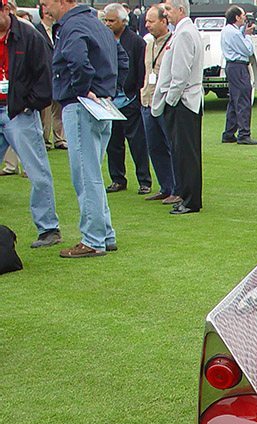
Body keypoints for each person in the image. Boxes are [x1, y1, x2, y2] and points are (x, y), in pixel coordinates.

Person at [51, 0, 120, 256]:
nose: (45, 10)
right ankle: (105, 233)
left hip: (81, 105)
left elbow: (79, 62)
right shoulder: (99, 25)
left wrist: (82, 90)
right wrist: (107, 91)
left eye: (47, 4)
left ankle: (93, 240)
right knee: (94, 173)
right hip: (102, 104)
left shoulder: (71, 26)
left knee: (85, 174)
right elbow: (120, 58)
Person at [0, 0, 62, 248]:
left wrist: (31, 103)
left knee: (37, 171)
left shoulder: (28, 35)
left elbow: (45, 73)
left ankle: (48, 228)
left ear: (6, 10)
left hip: (20, 112)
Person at [152, 0, 203, 214]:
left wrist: (170, 100)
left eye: (169, 9)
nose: (166, 13)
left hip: (183, 101)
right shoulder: (184, 31)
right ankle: (186, 195)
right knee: (184, 152)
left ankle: (190, 200)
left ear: (181, 10)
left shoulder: (183, 34)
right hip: (186, 100)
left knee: (185, 153)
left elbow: (180, 73)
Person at [103, 3, 152, 194]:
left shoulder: (136, 42)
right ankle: (117, 179)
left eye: (111, 20)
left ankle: (144, 180)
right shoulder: (103, 39)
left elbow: (142, 70)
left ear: (123, 22)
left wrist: (139, 95)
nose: (107, 24)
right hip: (109, 101)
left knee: (138, 143)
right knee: (113, 144)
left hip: (130, 99)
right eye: (105, 20)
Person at [141, 2, 177, 203]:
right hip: (147, 101)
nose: (147, 25)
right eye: (146, 21)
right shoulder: (148, 45)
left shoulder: (173, 43)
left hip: (164, 103)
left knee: (171, 146)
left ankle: (177, 188)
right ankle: (165, 186)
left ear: (164, 21)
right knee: (154, 147)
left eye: (151, 21)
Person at [220, 5, 257, 144]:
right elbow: (247, 50)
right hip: (239, 67)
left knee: (234, 100)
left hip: (231, 67)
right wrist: (247, 36)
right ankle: (244, 134)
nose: (245, 18)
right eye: (243, 15)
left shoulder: (226, 30)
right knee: (243, 99)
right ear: (236, 17)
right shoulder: (235, 33)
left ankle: (229, 132)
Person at [33, 0, 66, 150]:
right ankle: (45, 140)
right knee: (45, 111)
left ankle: (59, 139)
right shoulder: (36, 31)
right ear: (44, 13)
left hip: (58, 75)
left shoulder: (59, 30)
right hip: (44, 76)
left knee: (58, 110)